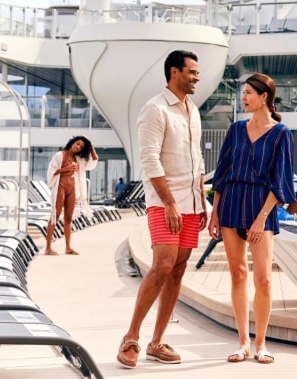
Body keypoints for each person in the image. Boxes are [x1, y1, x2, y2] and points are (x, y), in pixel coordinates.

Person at [117, 50, 207, 369]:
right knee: (163, 265)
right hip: (164, 202)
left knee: (180, 268)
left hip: (193, 203)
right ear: (174, 72)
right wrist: (169, 202)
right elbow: (150, 159)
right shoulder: (154, 109)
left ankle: (157, 342)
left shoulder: (192, 110)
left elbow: (197, 158)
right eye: (192, 72)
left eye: (198, 72)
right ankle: (130, 338)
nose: (197, 77)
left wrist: (201, 198)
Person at [207, 73, 295, 364]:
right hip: (232, 203)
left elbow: (281, 181)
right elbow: (221, 173)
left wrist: (261, 218)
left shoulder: (281, 133)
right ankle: (242, 342)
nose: (243, 98)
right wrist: (215, 212)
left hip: (262, 207)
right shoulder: (235, 130)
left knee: (265, 280)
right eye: (242, 93)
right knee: (237, 275)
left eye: (248, 93)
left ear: (264, 98)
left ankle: (262, 344)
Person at [45, 135, 98, 255]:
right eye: (77, 144)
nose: (78, 147)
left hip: (72, 189)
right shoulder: (60, 155)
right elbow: (51, 172)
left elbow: (93, 161)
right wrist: (66, 168)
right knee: (55, 216)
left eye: (81, 147)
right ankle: (48, 247)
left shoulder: (79, 159)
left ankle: (68, 247)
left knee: (68, 218)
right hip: (60, 188)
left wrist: (91, 145)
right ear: (73, 142)